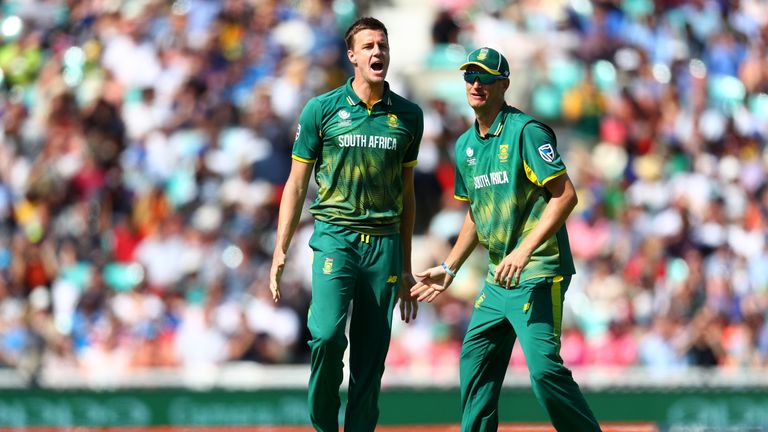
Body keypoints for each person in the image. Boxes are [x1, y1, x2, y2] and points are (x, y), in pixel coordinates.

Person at [410, 47, 602, 432]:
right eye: (469, 77)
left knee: (545, 373)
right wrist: (451, 266)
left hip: (537, 272)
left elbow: (566, 196)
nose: (475, 84)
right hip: (498, 279)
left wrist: (524, 250)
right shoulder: (465, 145)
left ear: (504, 85)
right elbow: (475, 214)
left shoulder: (526, 132)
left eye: (484, 77)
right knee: (474, 363)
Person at [269, 17, 422, 432]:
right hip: (336, 237)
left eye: (383, 46)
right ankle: (323, 426)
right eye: (368, 46)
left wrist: (406, 266)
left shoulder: (409, 116)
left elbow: (407, 196)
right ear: (352, 56)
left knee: (370, 361)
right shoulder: (321, 109)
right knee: (326, 337)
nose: (377, 53)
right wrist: (281, 247)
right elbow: (297, 181)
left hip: (384, 244)